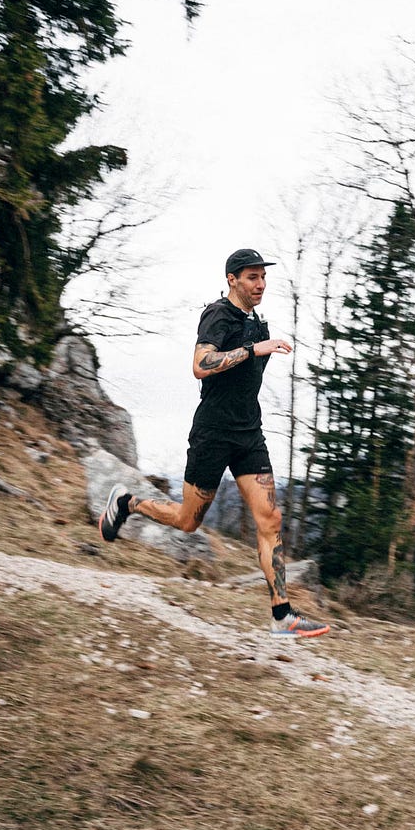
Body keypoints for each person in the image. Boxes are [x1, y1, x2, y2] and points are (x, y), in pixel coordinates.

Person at [97, 248, 329, 639]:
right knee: (189, 521)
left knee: (270, 519)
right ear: (232, 279)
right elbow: (200, 366)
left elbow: (244, 381)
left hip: (248, 435)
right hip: (213, 434)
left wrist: (260, 346)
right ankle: (127, 502)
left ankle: (282, 616)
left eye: (263, 277)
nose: (260, 284)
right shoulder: (218, 315)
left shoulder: (258, 323)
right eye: (252, 277)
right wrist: (254, 349)